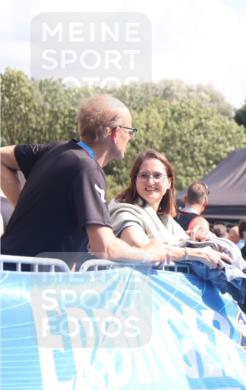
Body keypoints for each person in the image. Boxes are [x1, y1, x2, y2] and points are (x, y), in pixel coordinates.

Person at [0, 94, 169, 264]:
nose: (130, 138)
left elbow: (1, 157)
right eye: (130, 131)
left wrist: (21, 205)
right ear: (116, 133)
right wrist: (149, 254)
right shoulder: (87, 169)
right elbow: (105, 247)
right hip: (31, 282)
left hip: (12, 274)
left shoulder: (56, 150)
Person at [109, 149, 227, 267]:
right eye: (144, 175)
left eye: (157, 175)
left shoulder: (166, 220)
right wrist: (197, 253)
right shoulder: (124, 212)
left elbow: (178, 241)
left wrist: (198, 238)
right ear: (135, 180)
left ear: (169, 182)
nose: (150, 182)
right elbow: (142, 248)